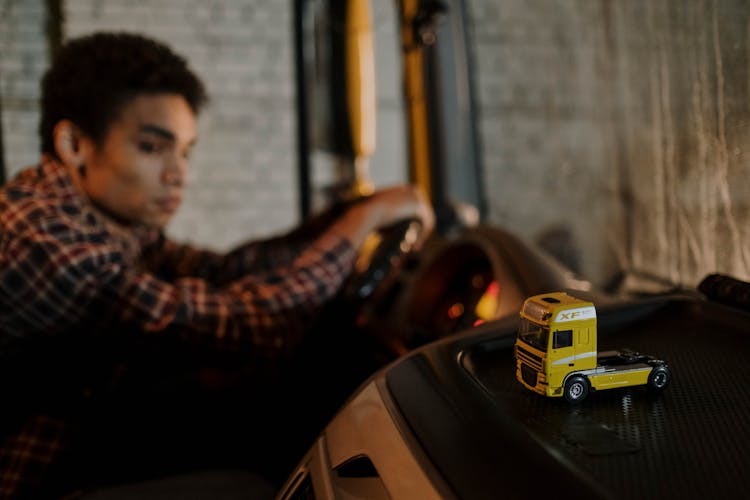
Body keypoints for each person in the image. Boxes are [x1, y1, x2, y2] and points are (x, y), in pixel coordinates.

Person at [0, 31, 434, 498]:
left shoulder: (99, 220)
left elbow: (221, 271)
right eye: (152, 148)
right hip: (34, 476)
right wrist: (362, 222)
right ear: (75, 144)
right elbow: (254, 325)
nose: (179, 174)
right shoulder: (39, 237)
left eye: (185, 151)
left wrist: (340, 219)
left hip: (88, 427)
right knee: (246, 487)